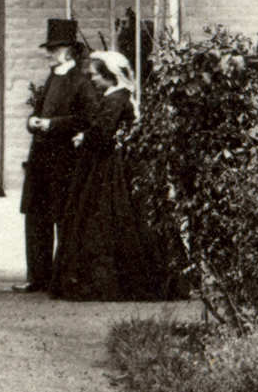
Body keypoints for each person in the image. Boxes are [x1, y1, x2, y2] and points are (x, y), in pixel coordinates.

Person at [59, 47, 159, 299]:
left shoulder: (115, 99)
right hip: (115, 164)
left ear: (109, 75)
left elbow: (103, 133)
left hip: (112, 168)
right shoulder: (121, 96)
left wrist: (84, 138)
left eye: (95, 75)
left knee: (103, 221)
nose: (92, 79)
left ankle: (107, 283)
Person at [19, 18, 92, 291]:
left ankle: (62, 278)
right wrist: (33, 122)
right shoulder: (51, 78)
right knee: (36, 216)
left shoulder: (81, 82)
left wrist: (53, 124)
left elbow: (87, 118)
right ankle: (37, 277)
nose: (49, 53)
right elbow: (37, 110)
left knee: (62, 216)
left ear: (69, 50)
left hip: (63, 161)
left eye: (54, 48)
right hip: (40, 159)